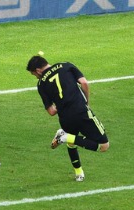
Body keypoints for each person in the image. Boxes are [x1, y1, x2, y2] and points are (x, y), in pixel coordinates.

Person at [26, 54, 109, 182]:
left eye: (34, 75)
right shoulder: (66, 65)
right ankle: (64, 136)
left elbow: (52, 111)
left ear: (38, 70)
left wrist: (61, 104)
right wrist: (86, 101)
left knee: (72, 143)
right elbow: (84, 83)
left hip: (65, 117)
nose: (36, 77)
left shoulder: (41, 84)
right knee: (103, 146)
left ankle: (79, 173)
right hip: (81, 112)